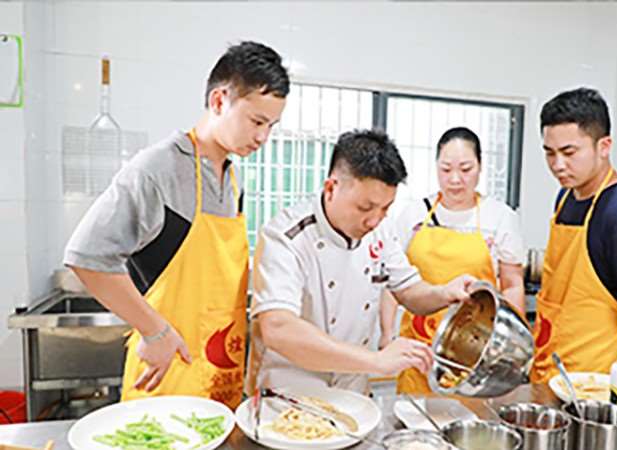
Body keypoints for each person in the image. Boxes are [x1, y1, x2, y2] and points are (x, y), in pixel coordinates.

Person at [63, 41, 289, 408]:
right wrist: (156, 332)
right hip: (168, 376)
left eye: (271, 126)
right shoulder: (158, 168)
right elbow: (87, 257)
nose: (263, 137)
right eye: (257, 122)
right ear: (219, 101)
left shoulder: (234, 180)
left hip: (220, 376)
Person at [247, 129, 475, 394]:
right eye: (365, 208)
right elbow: (278, 328)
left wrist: (444, 293)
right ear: (331, 188)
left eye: (385, 208)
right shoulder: (287, 237)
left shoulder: (380, 230)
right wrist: (376, 361)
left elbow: (409, 291)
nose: (375, 220)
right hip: (290, 393)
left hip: (351, 391)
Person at [378, 126, 525, 394]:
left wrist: (511, 347)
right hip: (417, 351)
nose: (455, 179)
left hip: (475, 354)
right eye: (446, 169)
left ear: (480, 167)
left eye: (466, 169)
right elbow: (392, 283)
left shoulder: (500, 217)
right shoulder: (414, 214)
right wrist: (387, 334)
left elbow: (512, 284)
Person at [531, 87, 617, 383]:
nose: (558, 165)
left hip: (594, 379)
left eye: (569, 152)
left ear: (604, 146)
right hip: (549, 364)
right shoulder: (565, 197)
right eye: (550, 153)